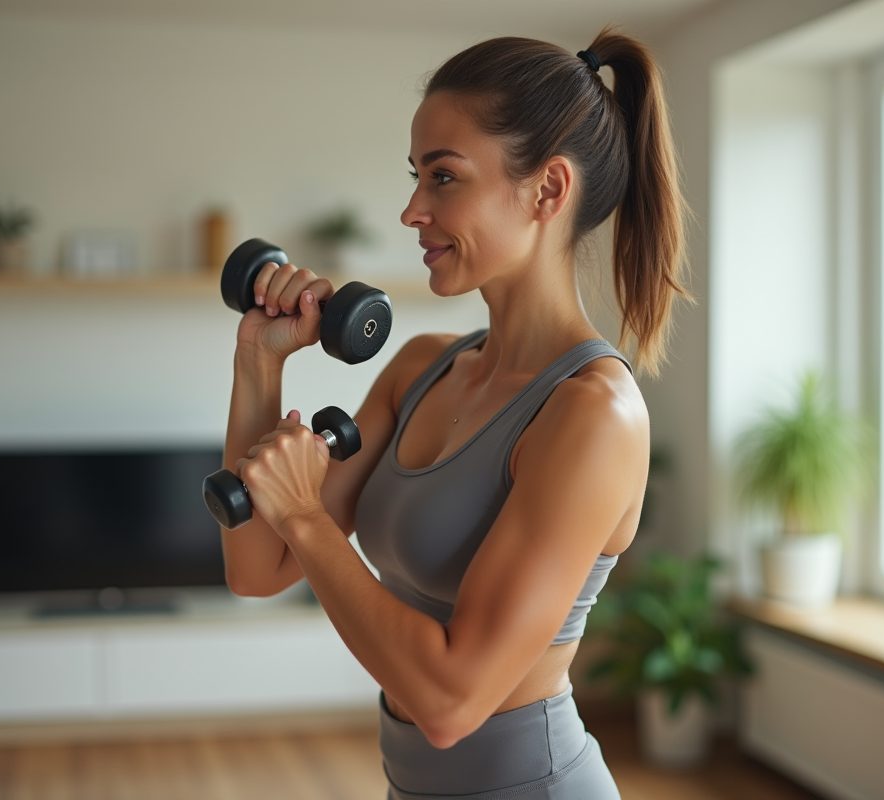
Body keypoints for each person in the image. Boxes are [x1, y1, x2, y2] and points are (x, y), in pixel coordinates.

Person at [219, 27, 687, 800]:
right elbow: (255, 567)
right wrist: (259, 362)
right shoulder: (420, 368)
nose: (411, 210)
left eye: (443, 177)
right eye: (416, 176)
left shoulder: (594, 416)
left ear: (548, 190)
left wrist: (305, 515)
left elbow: (449, 701)